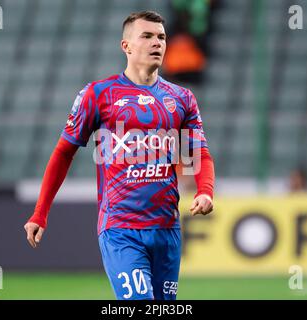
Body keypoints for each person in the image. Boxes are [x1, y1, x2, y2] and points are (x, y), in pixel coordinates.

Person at [24, 11, 215, 300]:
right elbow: (64, 152)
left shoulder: (182, 98)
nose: (157, 43)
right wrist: (41, 212)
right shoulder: (98, 95)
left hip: (167, 228)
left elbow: (199, 152)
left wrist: (205, 191)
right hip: (120, 228)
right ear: (126, 46)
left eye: (161, 37)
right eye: (147, 36)